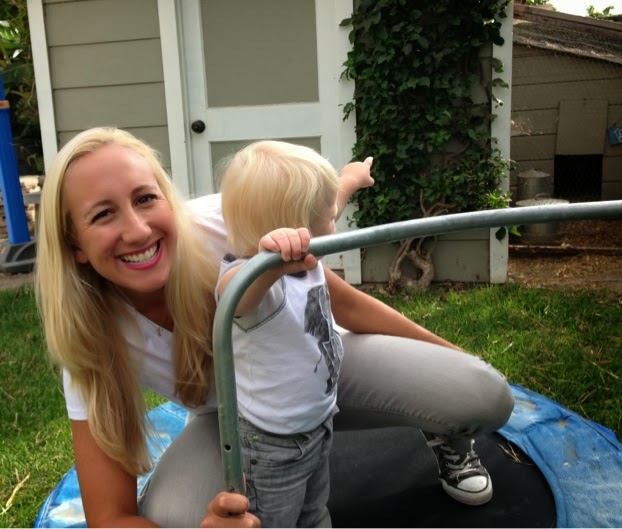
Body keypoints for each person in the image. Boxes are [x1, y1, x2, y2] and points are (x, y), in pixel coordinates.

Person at [35, 127, 514, 528]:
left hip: (323, 366)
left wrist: (448, 352)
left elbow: (341, 294)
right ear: (74, 245)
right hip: (234, 423)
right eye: (103, 214)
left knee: (483, 394)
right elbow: (110, 518)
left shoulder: (225, 222)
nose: (138, 230)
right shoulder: (90, 341)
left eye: (145, 198)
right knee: (174, 517)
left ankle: (442, 434)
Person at [216, 141, 345, 527]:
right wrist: (269, 266)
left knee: (314, 512)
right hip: (272, 446)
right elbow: (235, 299)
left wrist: (352, 178)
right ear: (297, 235)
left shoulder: (308, 260)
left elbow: (332, 204)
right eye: (330, 219)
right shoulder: (248, 281)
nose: (336, 223)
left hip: (318, 425)